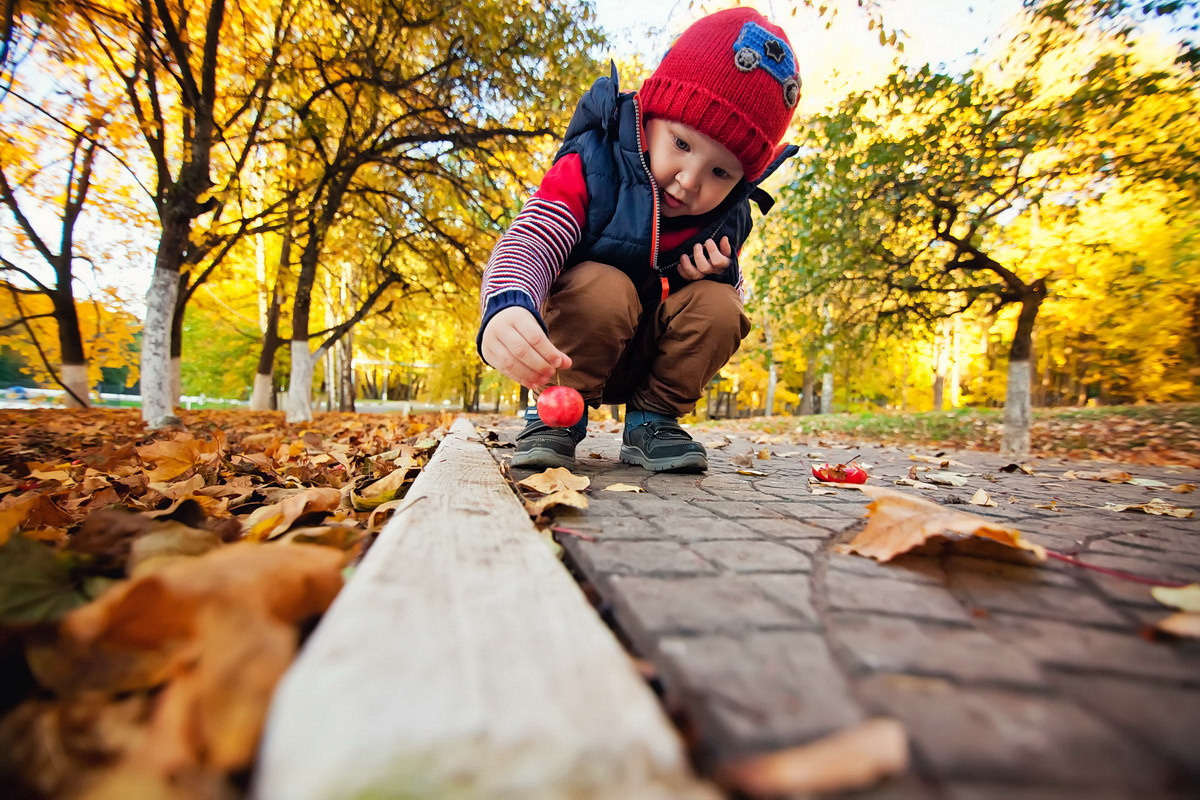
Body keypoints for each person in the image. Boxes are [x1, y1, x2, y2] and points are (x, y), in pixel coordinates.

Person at [478, 6, 800, 472]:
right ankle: (555, 417)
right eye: (682, 145)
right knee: (604, 284)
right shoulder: (595, 162)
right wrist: (507, 303)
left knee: (721, 304)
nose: (690, 180)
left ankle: (653, 420)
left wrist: (707, 281)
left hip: (650, 357)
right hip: (574, 347)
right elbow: (533, 237)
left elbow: (726, 311)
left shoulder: (727, 217)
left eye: (720, 171)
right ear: (649, 116)